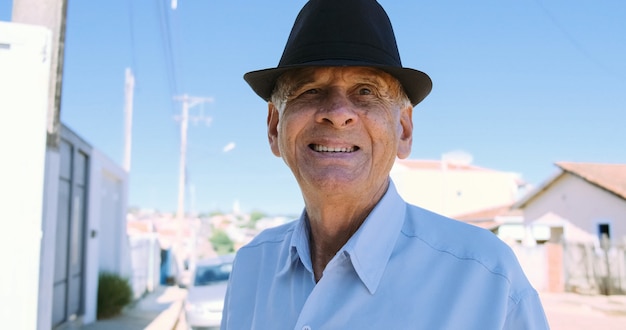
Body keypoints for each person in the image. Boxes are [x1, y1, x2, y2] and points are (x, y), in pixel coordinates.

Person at [221, 0, 549, 329]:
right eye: (310, 90)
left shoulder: (487, 279)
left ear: (403, 130)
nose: (337, 112)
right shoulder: (251, 266)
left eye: (366, 91)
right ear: (274, 126)